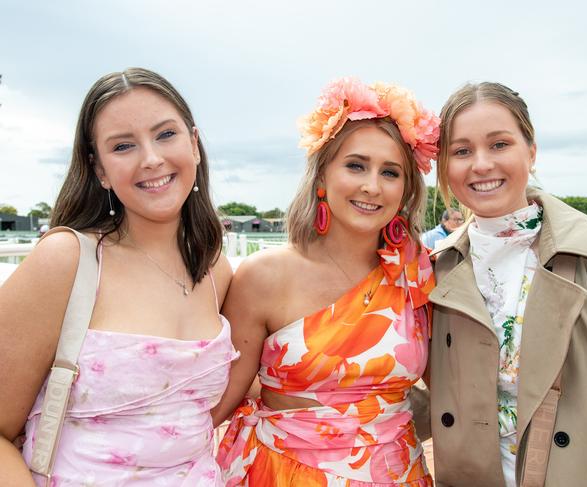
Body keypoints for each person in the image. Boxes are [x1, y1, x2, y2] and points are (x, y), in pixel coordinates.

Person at [0, 68, 238, 486]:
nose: (151, 158)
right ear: (100, 170)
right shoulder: (67, 261)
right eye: (123, 145)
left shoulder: (215, 269)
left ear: (195, 146)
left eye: (166, 134)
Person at [418, 82, 587, 486]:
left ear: (532, 150)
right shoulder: (435, 268)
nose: (482, 164)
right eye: (461, 151)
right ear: (444, 166)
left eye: (500, 144)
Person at [212, 78, 439, 486]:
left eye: (390, 172)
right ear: (322, 176)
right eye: (356, 165)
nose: (372, 186)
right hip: (283, 474)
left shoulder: (417, 275)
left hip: (400, 475)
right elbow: (221, 400)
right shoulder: (263, 275)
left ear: (405, 190)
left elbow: (453, 388)